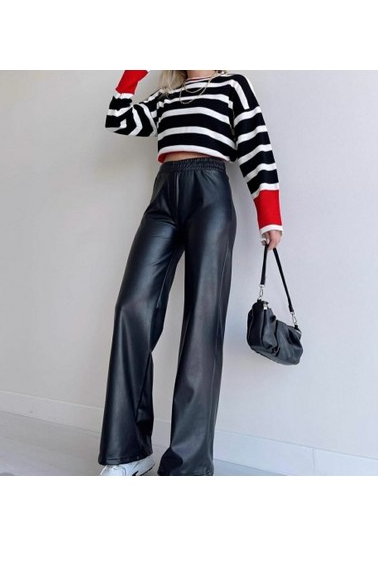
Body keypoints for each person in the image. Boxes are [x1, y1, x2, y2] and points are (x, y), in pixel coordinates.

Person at [98, 70, 284, 476]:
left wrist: (269, 216)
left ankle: (188, 466)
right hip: (164, 197)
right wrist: (133, 73)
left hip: (210, 195)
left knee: (202, 322)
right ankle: (128, 452)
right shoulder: (168, 94)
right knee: (132, 308)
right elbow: (119, 120)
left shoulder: (232, 85)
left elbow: (257, 147)